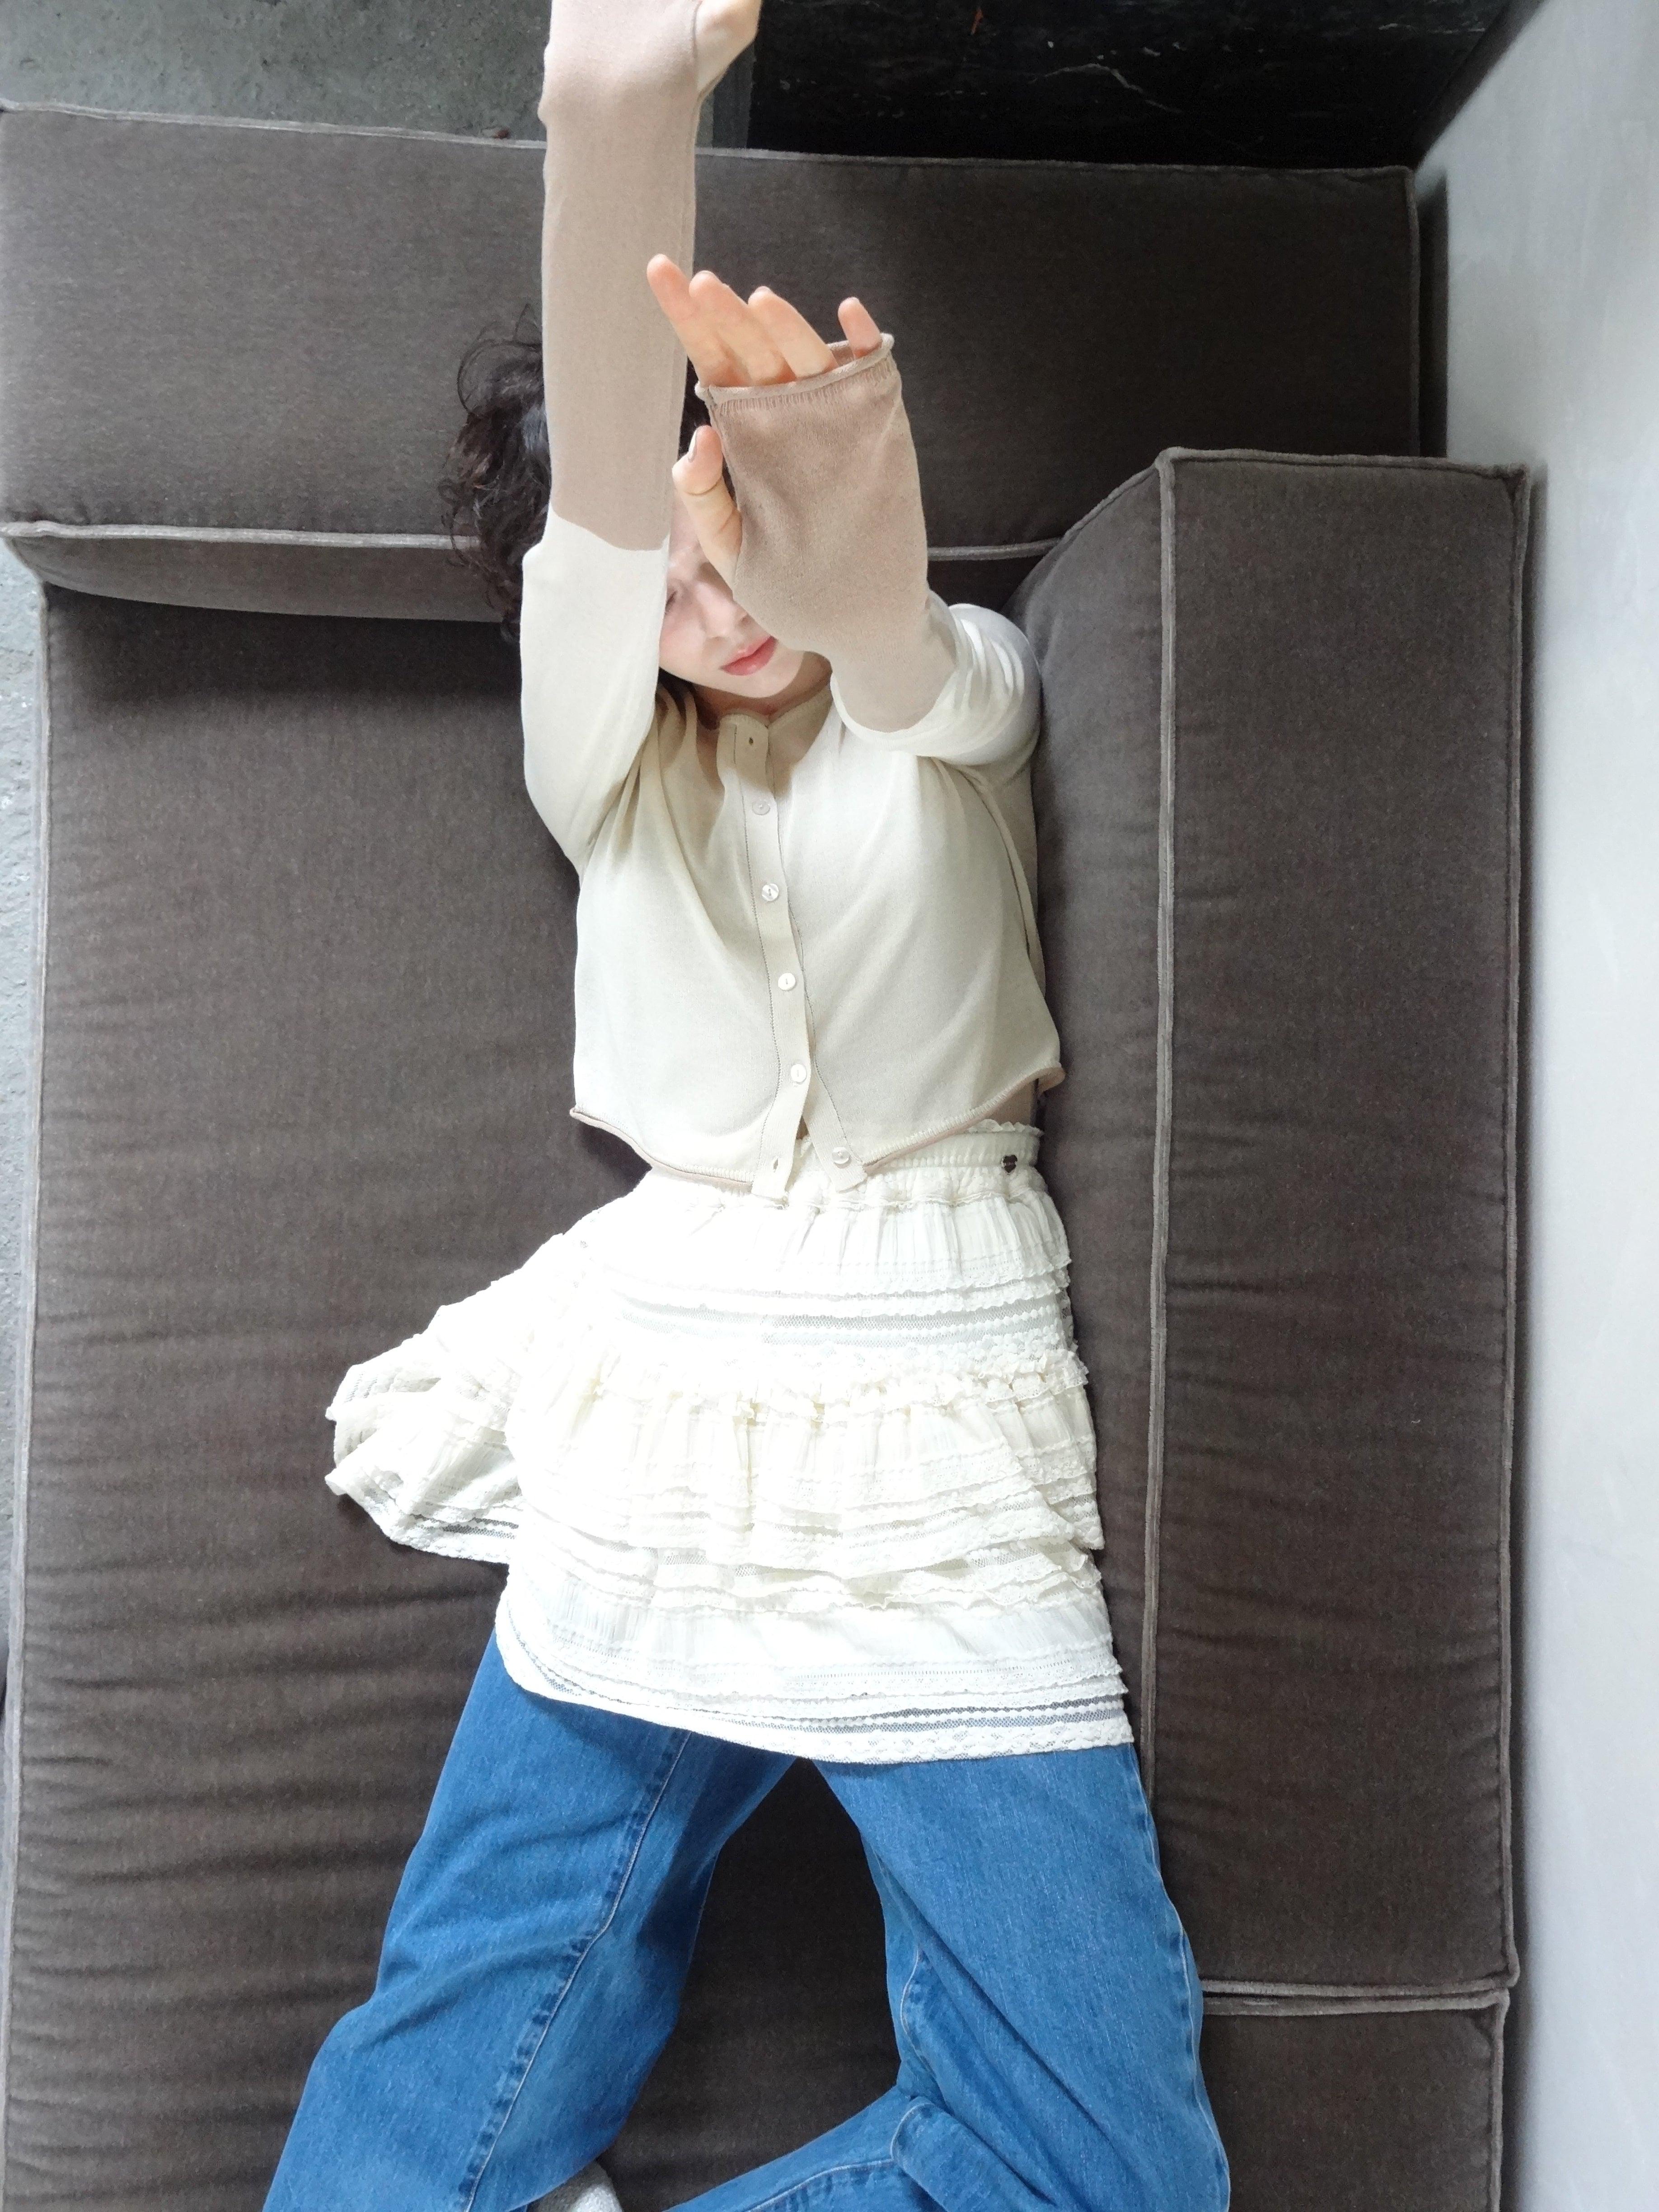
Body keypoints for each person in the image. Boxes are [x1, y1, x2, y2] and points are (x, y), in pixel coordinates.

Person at [262, 3, 1230, 2207]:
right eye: (677, 587)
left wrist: (849, 574)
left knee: (1106, 2175)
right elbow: (611, 533)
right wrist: (612, 121)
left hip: (944, 1402)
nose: (724, 609)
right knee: (432, 2089)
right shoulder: (602, 765)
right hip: (678, 1381)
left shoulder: (954, 703)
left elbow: (903, 655)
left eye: (745, 532)